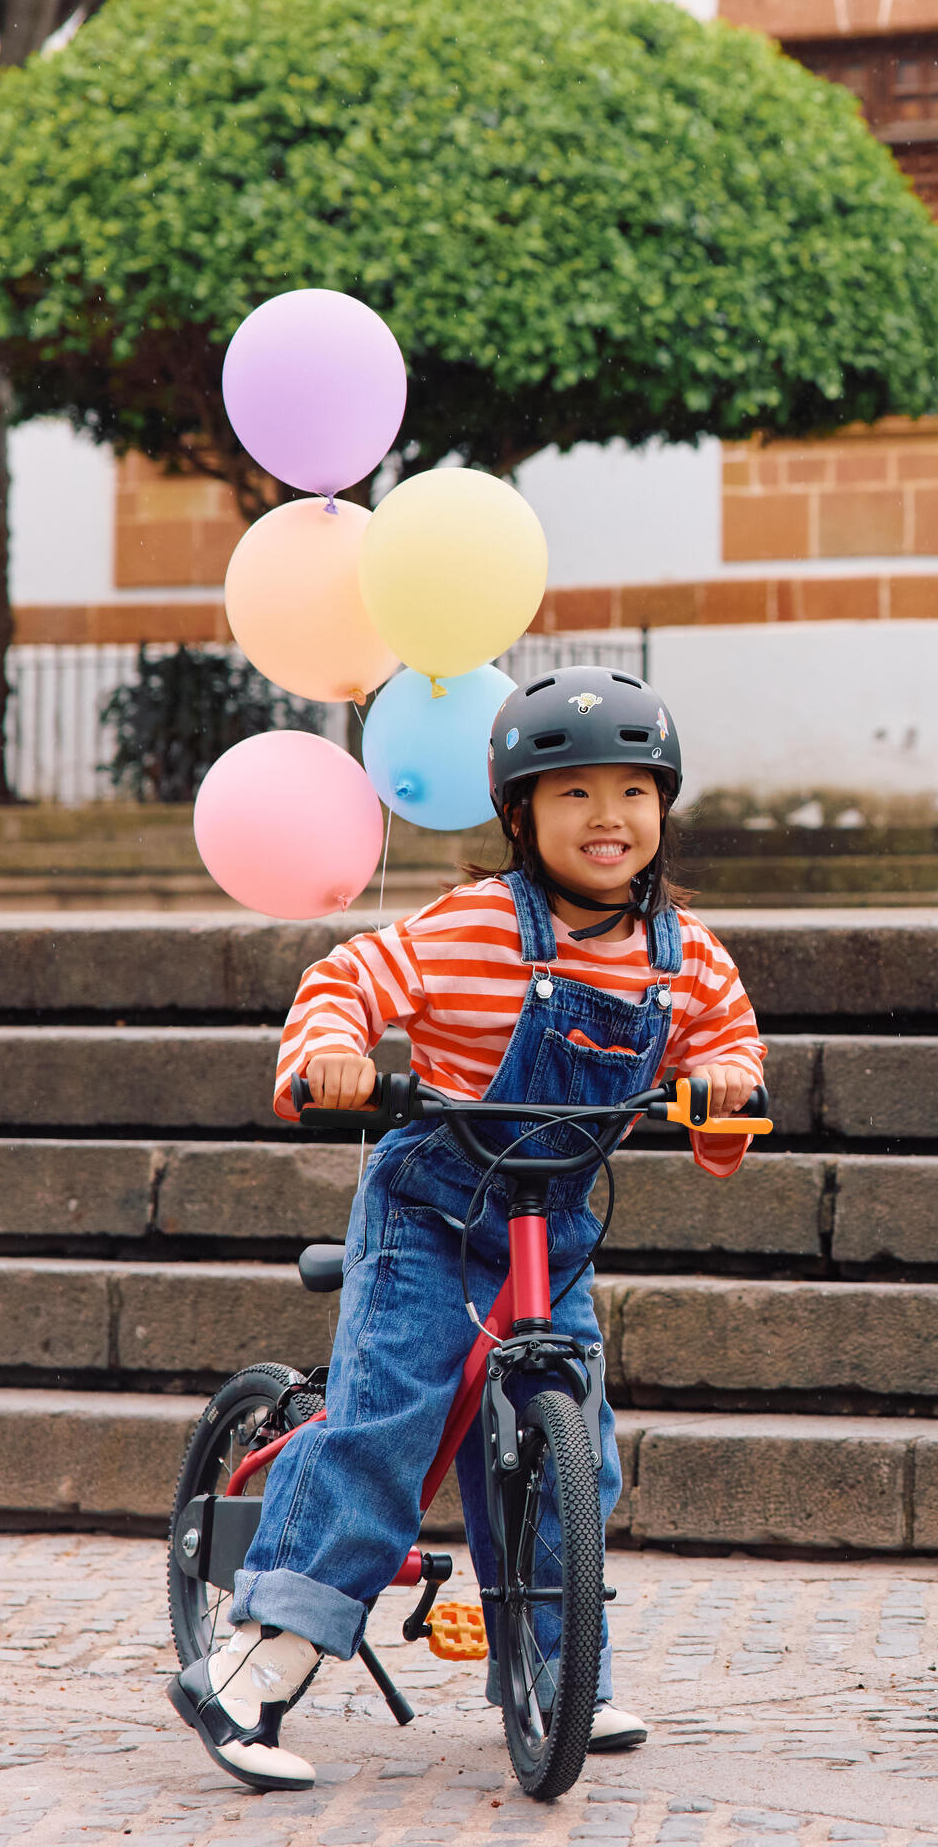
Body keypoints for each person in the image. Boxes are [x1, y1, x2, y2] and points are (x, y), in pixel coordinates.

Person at [170, 667, 764, 1792]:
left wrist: (725, 1088)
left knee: (573, 1447)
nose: (608, 819)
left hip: (553, 1228)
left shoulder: (685, 955)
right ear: (520, 814)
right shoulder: (473, 928)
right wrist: (334, 1056)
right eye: (574, 794)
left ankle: (555, 1668)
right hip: (433, 1212)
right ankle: (252, 1663)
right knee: (392, 1424)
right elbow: (346, 979)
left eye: (633, 793)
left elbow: (724, 1053)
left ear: (664, 809)